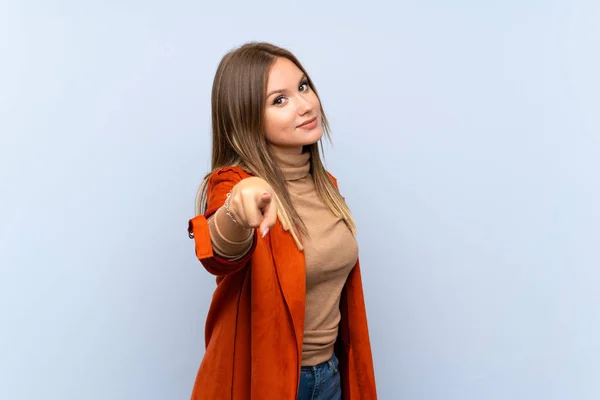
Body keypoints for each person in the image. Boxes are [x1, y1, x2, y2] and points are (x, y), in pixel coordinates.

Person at [187, 42, 377, 400]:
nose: (305, 105)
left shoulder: (325, 186)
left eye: (303, 87)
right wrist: (237, 208)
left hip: (330, 376)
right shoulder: (233, 186)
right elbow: (220, 252)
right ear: (246, 117)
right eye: (279, 100)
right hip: (272, 383)